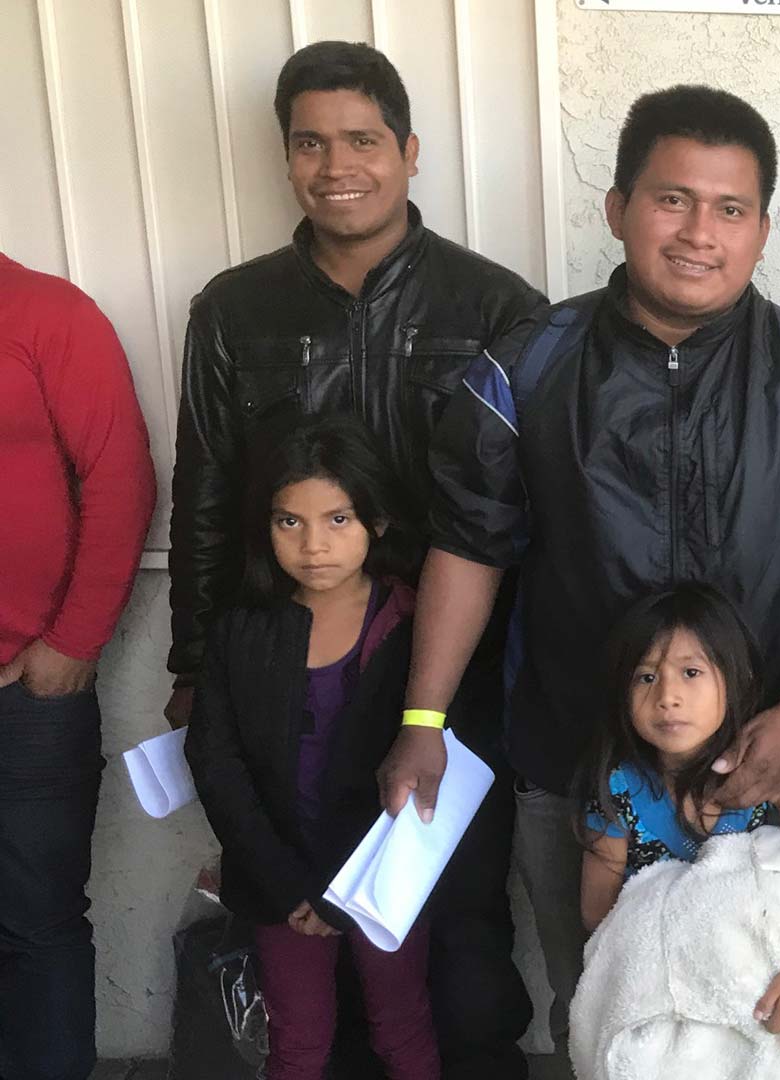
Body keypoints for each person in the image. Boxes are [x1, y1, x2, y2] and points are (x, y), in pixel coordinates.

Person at [385, 83, 780, 1064]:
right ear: (619, 208)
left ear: (762, 227)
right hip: (575, 762)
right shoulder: (531, 364)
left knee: (760, 1023)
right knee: (601, 1009)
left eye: (730, 208)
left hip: (765, 768)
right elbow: (468, 540)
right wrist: (422, 721)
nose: (698, 233)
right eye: (671, 199)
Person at [167, 41, 544, 1075]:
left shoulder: (495, 306)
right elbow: (204, 489)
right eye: (311, 143)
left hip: (456, 676)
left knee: (459, 940)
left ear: (410, 150)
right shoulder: (235, 313)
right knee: (303, 928)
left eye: (364, 139)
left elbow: (536, 500)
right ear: (287, 159)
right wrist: (194, 663)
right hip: (290, 677)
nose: (339, 165)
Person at [185, 416, 437, 1080]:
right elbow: (217, 761)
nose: (313, 545)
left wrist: (349, 887)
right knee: (298, 1037)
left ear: (376, 521)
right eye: (288, 522)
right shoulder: (243, 629)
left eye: (338, 519)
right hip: (280, 881)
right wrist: (286, 883)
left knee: (401, 1023)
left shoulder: (413, 625)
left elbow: (426, 766)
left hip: (384, 876)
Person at [0, 251, 156, 1080]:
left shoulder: (45, 312)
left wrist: (71, 645)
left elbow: (121, 479)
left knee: (35, 925)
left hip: (22, 700)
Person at [578, 584, 780, 1038]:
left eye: (690, 672)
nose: (667, 696)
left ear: (737, 678)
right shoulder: (619, 789)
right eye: (646, 677)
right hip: (664, 990)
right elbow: (599, 918)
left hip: (757, 985)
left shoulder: (762, 774)